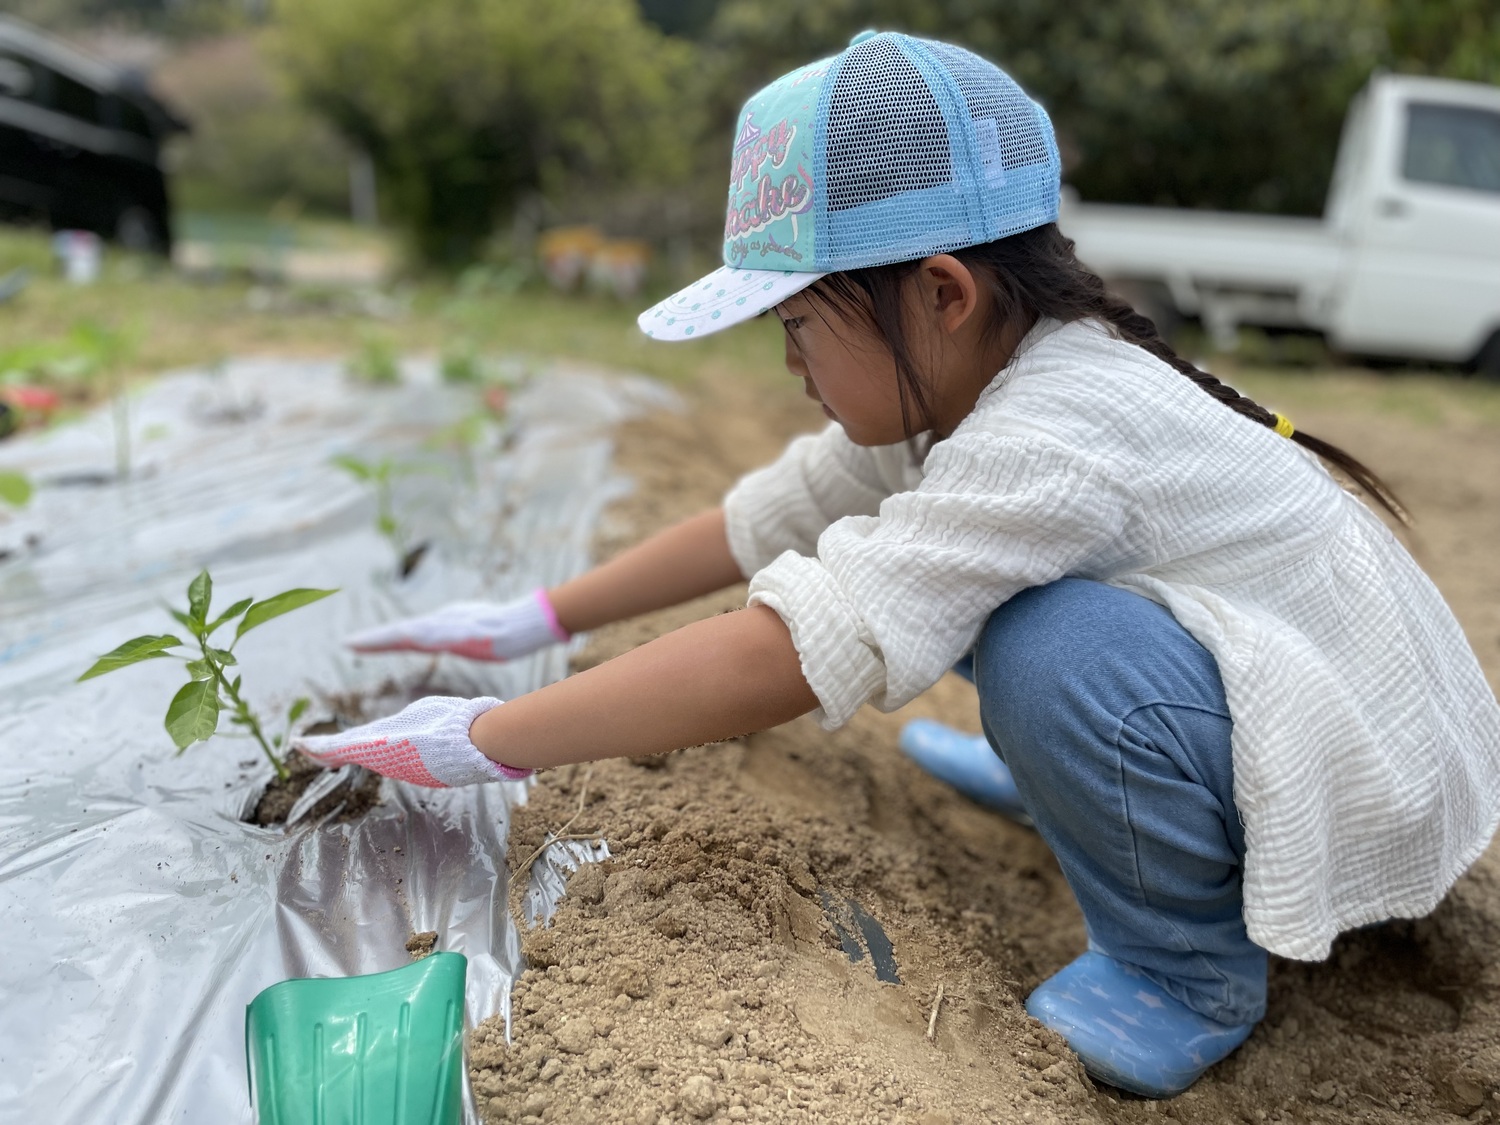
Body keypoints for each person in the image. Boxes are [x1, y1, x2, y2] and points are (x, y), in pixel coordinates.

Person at [295, 31, 1500, 1098]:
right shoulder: (975, 382)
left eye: (799, 323)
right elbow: (767, 519)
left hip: (1358, 775)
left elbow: (796, 644)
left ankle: (1184, 971)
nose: (789, 363)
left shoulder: (1052, 431)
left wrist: (485, 738)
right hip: (1277, 701)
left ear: (941, 293)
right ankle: (1087, 786)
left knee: (1043, 646)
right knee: (978, 591)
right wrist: (531, 613)